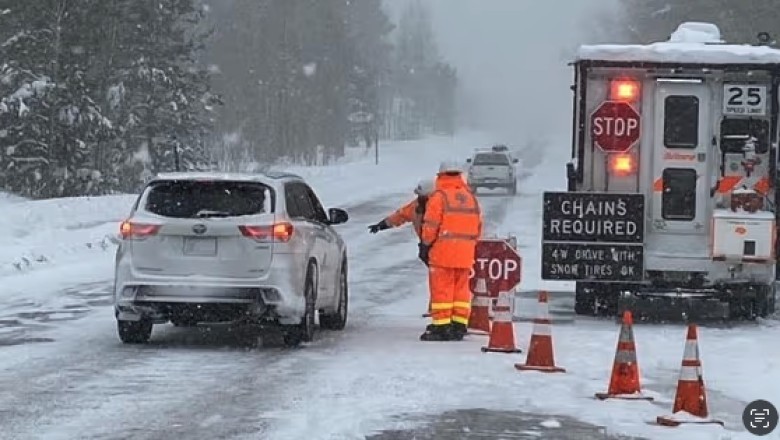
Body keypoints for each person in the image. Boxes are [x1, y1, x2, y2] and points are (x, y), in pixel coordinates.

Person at [418, 160, 483, 341]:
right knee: (461, 290)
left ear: (441, 175)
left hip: (443, 253)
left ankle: (441, 326)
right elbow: (478, 226)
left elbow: (431, 225)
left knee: (442, 290)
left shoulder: (439, 197)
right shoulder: (470, 197)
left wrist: (425, 244)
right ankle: (459, 324)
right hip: (465, 253)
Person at [367, 179, 435, 239]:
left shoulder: (440, 207)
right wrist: (381, 225)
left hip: (440, 246)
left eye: (421, 195)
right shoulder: (415, 206)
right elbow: (400, 215)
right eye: (418, 195)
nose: (419, 197)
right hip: (426, 245)